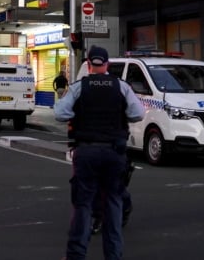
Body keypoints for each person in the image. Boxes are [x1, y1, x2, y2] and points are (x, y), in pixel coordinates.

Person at [55, 46, 145, 260]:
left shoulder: (79, 87)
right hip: (114, 152)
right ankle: (113, 255)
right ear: (107, 64)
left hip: (86, 151)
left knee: (83, 205)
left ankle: (76, 255)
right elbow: (137, 114)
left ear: (88, 63)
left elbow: (60, 113)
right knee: (113, 203)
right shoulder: (121, 87)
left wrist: (79, 111)